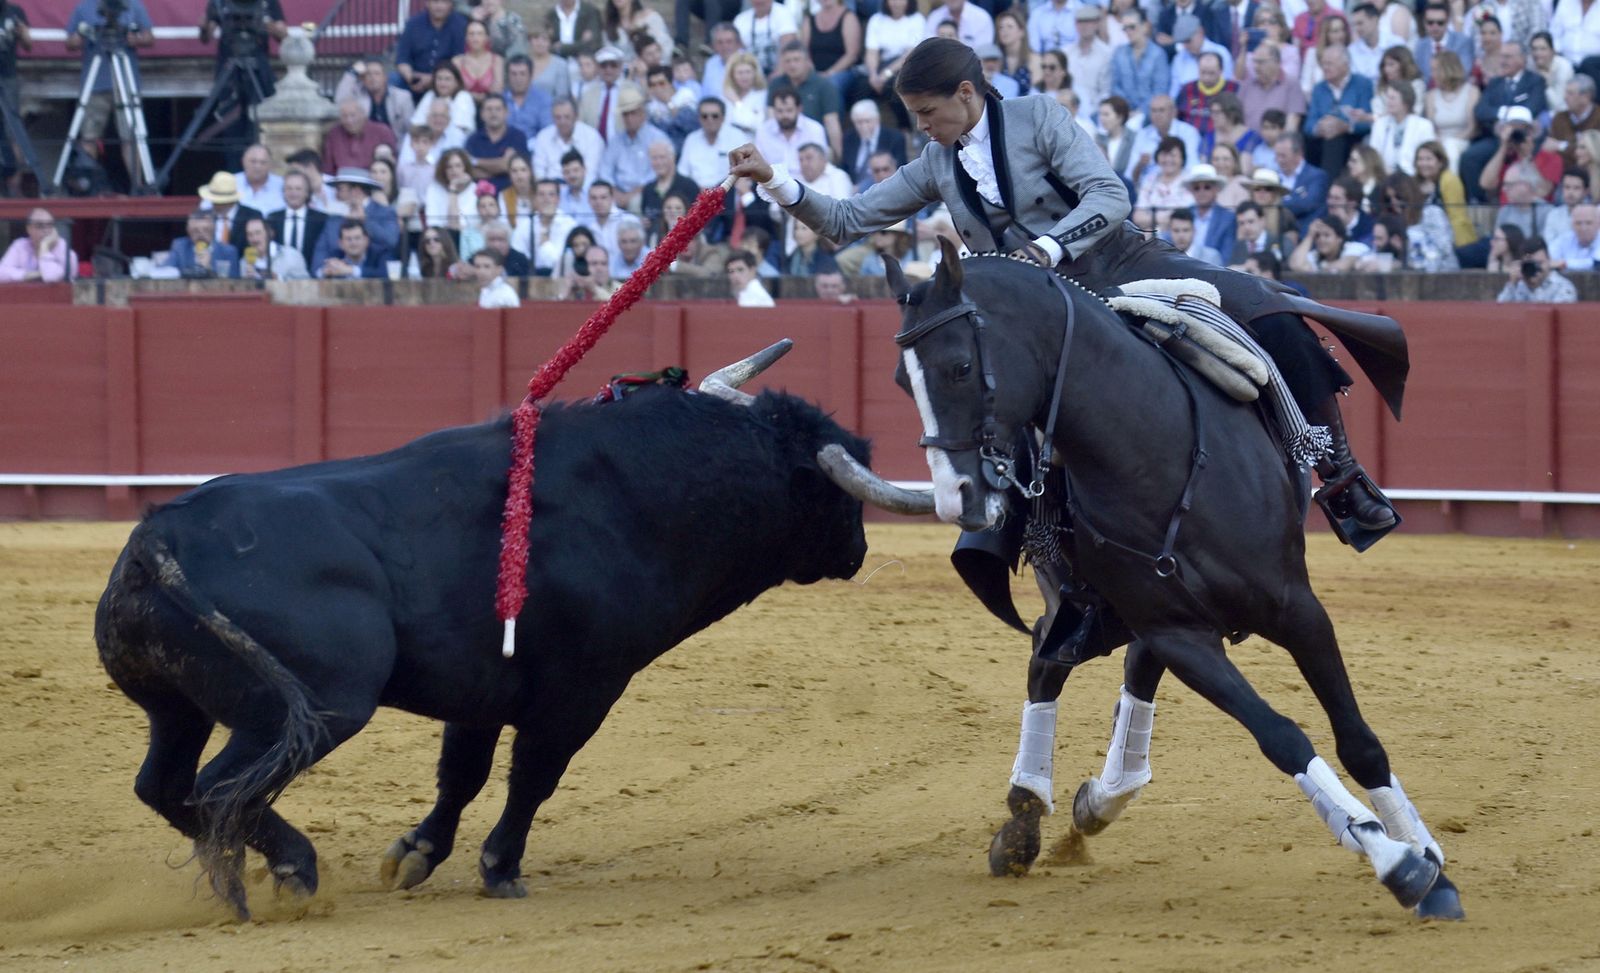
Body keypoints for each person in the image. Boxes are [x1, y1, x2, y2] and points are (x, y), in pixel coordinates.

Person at [729, 36, 1404, 531]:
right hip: (1036, 310)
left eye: (929, 112)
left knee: (1267, 312)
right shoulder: (937, 163)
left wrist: (1048, 247)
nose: (923, 128)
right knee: (996, 405)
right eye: (916, 116)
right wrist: (777, 179)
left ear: (967, 94)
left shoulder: (1037, 118)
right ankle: (1041, 559)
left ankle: (1339, 477)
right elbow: (846, 219)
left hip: (1119, 263)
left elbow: (1108, 194)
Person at [65, 0, 153, 182]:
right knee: (89, 136)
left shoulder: (133, 5)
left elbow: (150, 37)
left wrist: (135, 39)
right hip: (96, 82)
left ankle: (139, 185)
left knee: (130, 137)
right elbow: (70, 42)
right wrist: (83, 35)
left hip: (125, 82)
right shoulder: (84, 7)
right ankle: (88, 184)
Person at [311, 166, 400, 269]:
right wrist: (323, 270)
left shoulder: (385, 212)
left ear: (356, 191)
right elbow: (322, 251)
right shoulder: (334, 218)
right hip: (338, 280)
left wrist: (365, 221)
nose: (336, 193)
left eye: (341, 189)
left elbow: (391, 241)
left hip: (375, 278)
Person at [395, 0, 468, 97]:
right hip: (415, 78)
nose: (439, 6)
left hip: (446, 79)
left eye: (443, 2)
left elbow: (459, 59)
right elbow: (402, 59)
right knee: (394, 80)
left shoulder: (460, 24)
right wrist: (410, 78)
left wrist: (433, 79)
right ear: (427, 3)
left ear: (450, 4)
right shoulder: (413, 24)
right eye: (435, 2)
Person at [1110, 8, 1170, 118]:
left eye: (1132, 27)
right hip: (1123, 114)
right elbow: (1115, 86)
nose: (1128, 32)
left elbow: (1160, 90)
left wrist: (1141, 112)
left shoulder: (1158, 55)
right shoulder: (1118, 53)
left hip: (1150, 115)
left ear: (1145, 26)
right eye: (1125, 28)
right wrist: (1126, 111)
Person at [1371, 82, 1438, 176]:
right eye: (1388, 98)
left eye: (1392, 98)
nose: (1388, 102)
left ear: (1406, 102)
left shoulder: (1424, 125)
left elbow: (1427, 157)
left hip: (1413, 177)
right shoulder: (1379, 124)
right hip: (1384, 176)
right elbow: (1373, 154)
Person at [0, 1, 32, 195]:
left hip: (8, 76)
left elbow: (28, 46)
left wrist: (21, 31)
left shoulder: (14, 11)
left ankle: (15, 184)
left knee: (13, 128)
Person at [466, 94, 529, 191]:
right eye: (489, 109)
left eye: (498, 109)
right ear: (482, 114)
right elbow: (471, 172)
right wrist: (501, 166)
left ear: (506, 113)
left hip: (511, 193)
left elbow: (510, 167)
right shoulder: (473, 140)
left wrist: (476, 161)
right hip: (481, 197)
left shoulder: (518, 137)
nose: (493, 113)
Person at [337, 58, 416, 134]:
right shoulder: (358, 95)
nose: (372, 78)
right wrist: (352, 73)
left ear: (385, 77)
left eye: (377, 74)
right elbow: (340, 101)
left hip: (395, 144)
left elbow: (411, 128)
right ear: (363, 79)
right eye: (368, 74)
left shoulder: (402, 97)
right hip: (365, 143)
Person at [324, 99, 398, 175]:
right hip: (342, 183)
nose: (349, 121)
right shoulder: (334, 134)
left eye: (353, 115)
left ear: (363, 114)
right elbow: (328, 168)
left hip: (373, 182)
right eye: (344, 116)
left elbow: (392, 166)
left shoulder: (382, 132)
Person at [0, 208, 75, 282]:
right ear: (29, 229)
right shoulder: (20, 245)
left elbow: (51, 277)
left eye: (49, 225)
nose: (46, 230)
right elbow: (1, 273)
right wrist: (34, 275)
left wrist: (44, 247)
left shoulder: (62, 247)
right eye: (40, 226)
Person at [409, 63, 476, 143]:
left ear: (457, 82)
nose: (443, 83)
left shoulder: (463, 96)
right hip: (428, 141)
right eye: (439, 79)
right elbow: (416, 125)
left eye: (447, 79)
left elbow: (460, 128)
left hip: (455, 144)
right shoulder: (430, 95)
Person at [1497, 235, 1578, 302]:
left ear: (1549, 261)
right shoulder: (1519, 285)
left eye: (1540, 263)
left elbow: (1545, 318)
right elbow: (1500, 313)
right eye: (1530, 264)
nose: (1536, 267)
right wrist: (1512, 284)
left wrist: (1536, 287)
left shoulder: (1563, 287)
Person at [197, 171, 264, 249]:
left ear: (228, 201)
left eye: (216, 200)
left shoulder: (252, 216)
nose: (212, 203)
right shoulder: (205, 216)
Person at [167, 210, 239, 278]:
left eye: (205, 230)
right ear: (188, 231)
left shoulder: (228, 251)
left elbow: (235, 281)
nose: (201, 234)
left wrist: (209, 269)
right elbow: (166, 271)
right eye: (195, 231)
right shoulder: (180, 246)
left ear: (214, 229)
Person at [239, 216, 309, 281]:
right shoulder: (244, 261)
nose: (254, 239)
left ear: (270, 233)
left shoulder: (291, 255)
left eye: (258, 233)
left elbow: (306, 284)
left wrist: (277, 278)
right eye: (250, 234)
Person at [454, 19, 505, 103]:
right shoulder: (457, 61)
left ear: (487, 37)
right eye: (471, 34)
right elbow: (455, 91)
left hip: (490, 107)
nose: (475, 38)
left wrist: (469, 94)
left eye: (480, 34)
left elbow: (498, 90)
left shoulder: (497, 60)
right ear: (466, 38)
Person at [318, 218, 388, 279]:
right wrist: (326, 271)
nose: (353, 243)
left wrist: (350, 270)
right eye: (348, 239)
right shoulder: (335, 255)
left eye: (357, 238)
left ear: (366, 240)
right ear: (340, 243)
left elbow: (385, 275)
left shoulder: (380, 254)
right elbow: (318, 273)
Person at [1548, 202, 1600, 269]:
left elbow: (1596, 263)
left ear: (1598, 224)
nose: (1583, 228)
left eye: (1588, 223)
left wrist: (1564, 264)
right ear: (1572, 225)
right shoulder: (1564, 239)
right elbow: (1549, 260)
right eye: (1578, 223)